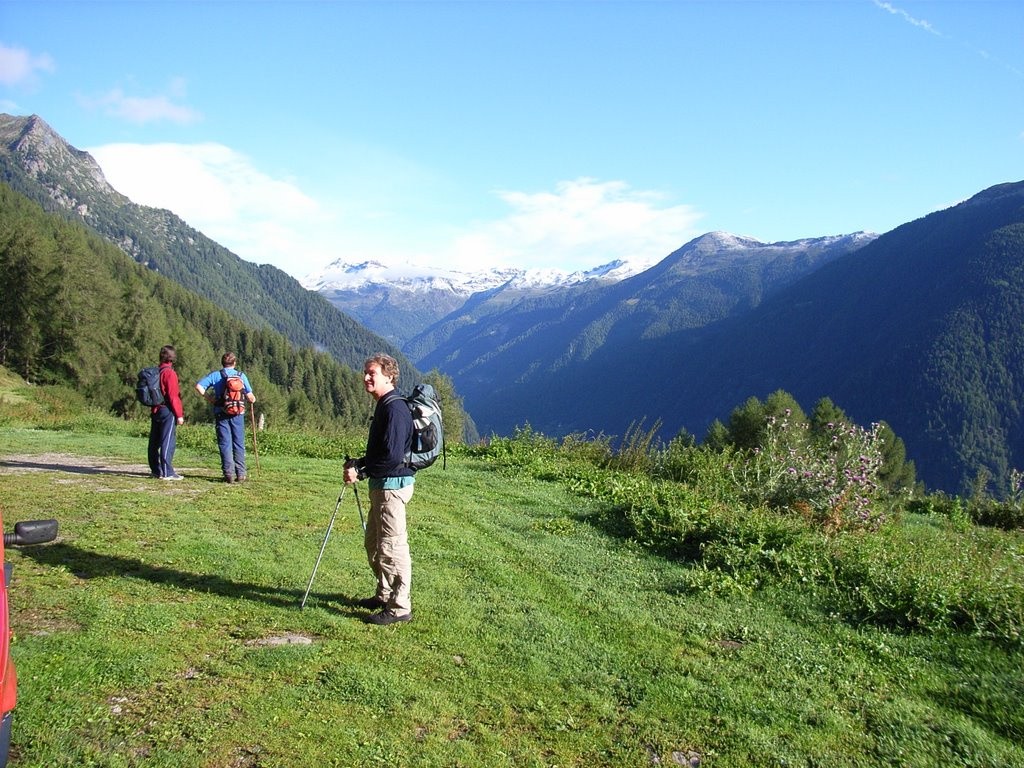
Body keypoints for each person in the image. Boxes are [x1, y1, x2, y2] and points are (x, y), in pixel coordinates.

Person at [344, 353, 415, 626]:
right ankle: (384, 594)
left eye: (371, 373)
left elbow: (392, 457)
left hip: (392, 488)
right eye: (365, 372)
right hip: (382, 485)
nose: (365, 377)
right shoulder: (384, 405)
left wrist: (361, 470)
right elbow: (384, 453)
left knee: (392, 547)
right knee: (374, 544)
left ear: (389, 376)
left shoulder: (394, 409)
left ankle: (399, 607)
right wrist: (361, 463)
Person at [194, 352, 256, 483]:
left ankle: (228, 473)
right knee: (238, 443)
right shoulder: (240, 376)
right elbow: (250, 397)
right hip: (238, 413)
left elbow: (198, 387)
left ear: (222, 363)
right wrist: (251, 399)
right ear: (234, 363)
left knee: (225, 443)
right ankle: (241, 473)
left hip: (221, 411)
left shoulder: (216, 375)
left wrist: (211, 400)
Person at [148, 345, 185, 480]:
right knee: (167, 440)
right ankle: (167, 472)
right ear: (172, 358)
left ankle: (156, 469)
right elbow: (173, 396)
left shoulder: (157, 371)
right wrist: (179, 415)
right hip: (167, 410)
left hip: (156, 409)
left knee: (154, 441)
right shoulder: (170, 373)